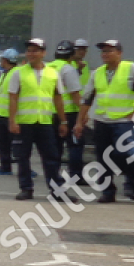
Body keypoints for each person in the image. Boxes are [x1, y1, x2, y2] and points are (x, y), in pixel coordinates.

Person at [75, 38, 134, 203]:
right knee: (102, 157)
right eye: (103, 51)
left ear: (119, 53)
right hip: (101, 120)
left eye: (109, 51)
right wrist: (79, 121)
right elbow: (87, 99)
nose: (105, 54)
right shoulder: (98, 72)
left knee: (125, 152)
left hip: (123, 120)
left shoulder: (132, 69)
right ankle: (107, 191)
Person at [5, 37, 66, 201]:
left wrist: (63, 121)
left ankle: (57, 191)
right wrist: (12, 120)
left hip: (45, 122)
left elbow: (58, 98)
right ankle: (26, 188)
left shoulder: (53, 73)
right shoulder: (19, 72)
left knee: (51, 157)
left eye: (35, 50)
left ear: (43, 53)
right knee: (22, 157)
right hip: (24, 122)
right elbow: (13, 98)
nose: (31, 54)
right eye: (29, 50)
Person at [45, 40, 85, 185]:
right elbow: (75, 94)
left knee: (55, 146)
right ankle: (76, 176)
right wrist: (83, 114)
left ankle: (54, 175)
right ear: (72, 54)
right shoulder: (68, 69)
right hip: (69, 114)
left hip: (51, 113)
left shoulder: (48, 67)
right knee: (75, 145)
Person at [0, 49, 21, 176]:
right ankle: (5, 166)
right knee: (2, 143)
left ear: (6, 60)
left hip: (11, 116)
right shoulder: (5, 74)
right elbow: (2, 94)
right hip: (1, 114)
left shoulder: (17, 74)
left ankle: (25, 169)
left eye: (2, 59)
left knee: (17, 145)